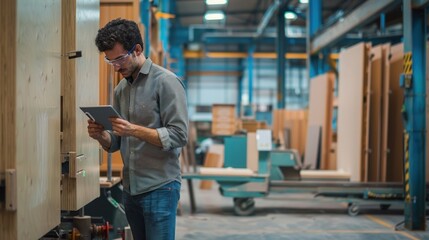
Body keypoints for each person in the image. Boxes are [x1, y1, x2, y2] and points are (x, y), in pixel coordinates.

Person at [88, 18, 188, 240]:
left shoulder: (167, 82)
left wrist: (133, 130)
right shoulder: (121, 89)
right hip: (131, 190)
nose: (115, 66)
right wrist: (102, 136)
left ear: (137, 49)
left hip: (161, 187)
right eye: (109, 61)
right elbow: (117, 142)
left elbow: (179, 135)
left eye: (120, 59)